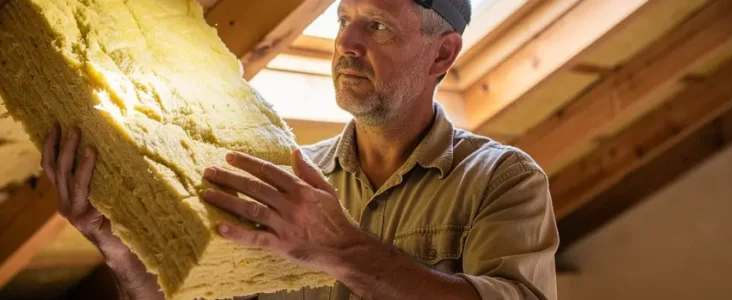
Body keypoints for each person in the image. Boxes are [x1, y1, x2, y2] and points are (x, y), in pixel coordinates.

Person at [41, 0, 559, 299]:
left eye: (376, 25)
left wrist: (340, 249)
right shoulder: (281, 175)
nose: (346, 44)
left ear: (443, 53)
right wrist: (118, 246)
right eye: (342, 20)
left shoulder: (502, 180)